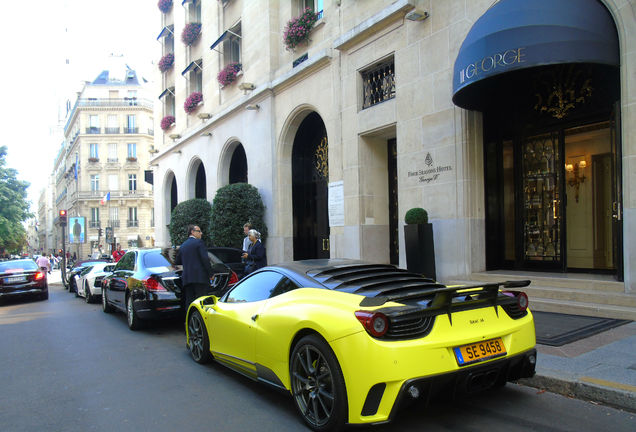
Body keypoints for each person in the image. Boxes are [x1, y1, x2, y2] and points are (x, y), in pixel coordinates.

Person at [175, 224, 215, 307]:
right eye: (199, 231)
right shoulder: (199, 243)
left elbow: (178, 261)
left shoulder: (183, 246)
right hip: (200, 278)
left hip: (187, 278)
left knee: (189, 301)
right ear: (192, 232)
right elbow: (205, 259)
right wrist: (210, 274)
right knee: (202, 301)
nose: (201, 233)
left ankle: (190, 319)